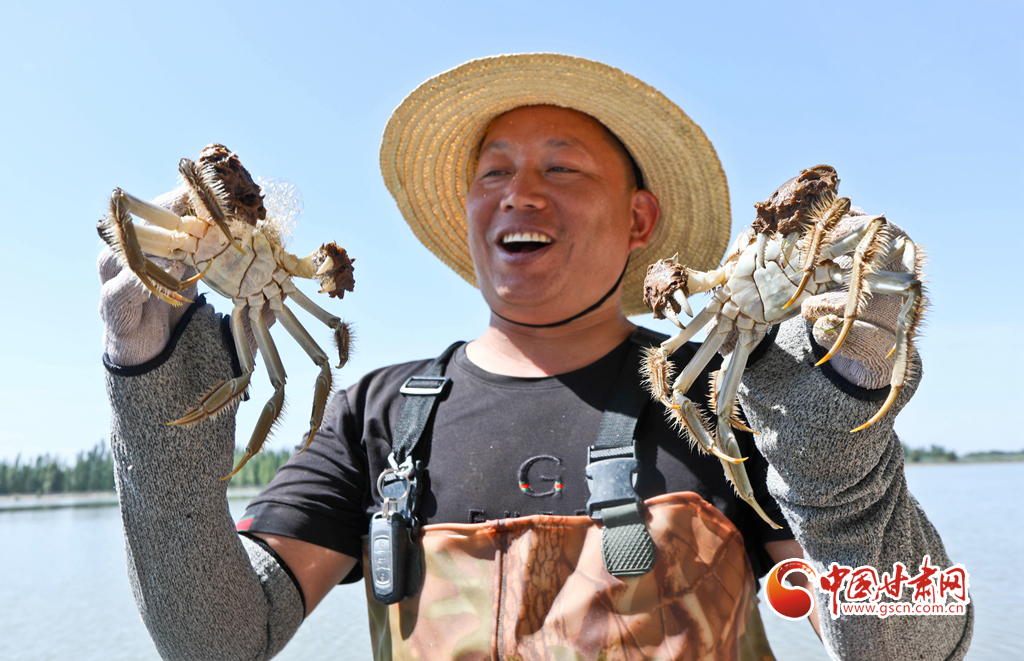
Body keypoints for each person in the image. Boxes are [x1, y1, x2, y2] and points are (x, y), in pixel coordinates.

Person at [99, 54, 972, 660]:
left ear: (639, 220)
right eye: (493, 173)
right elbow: (217, 640)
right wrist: (148, 383)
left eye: (563, 169)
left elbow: (916, 645)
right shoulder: (376, 415)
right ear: (470, 211)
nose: (520, 193)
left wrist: (837, 457)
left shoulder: (729, 397)